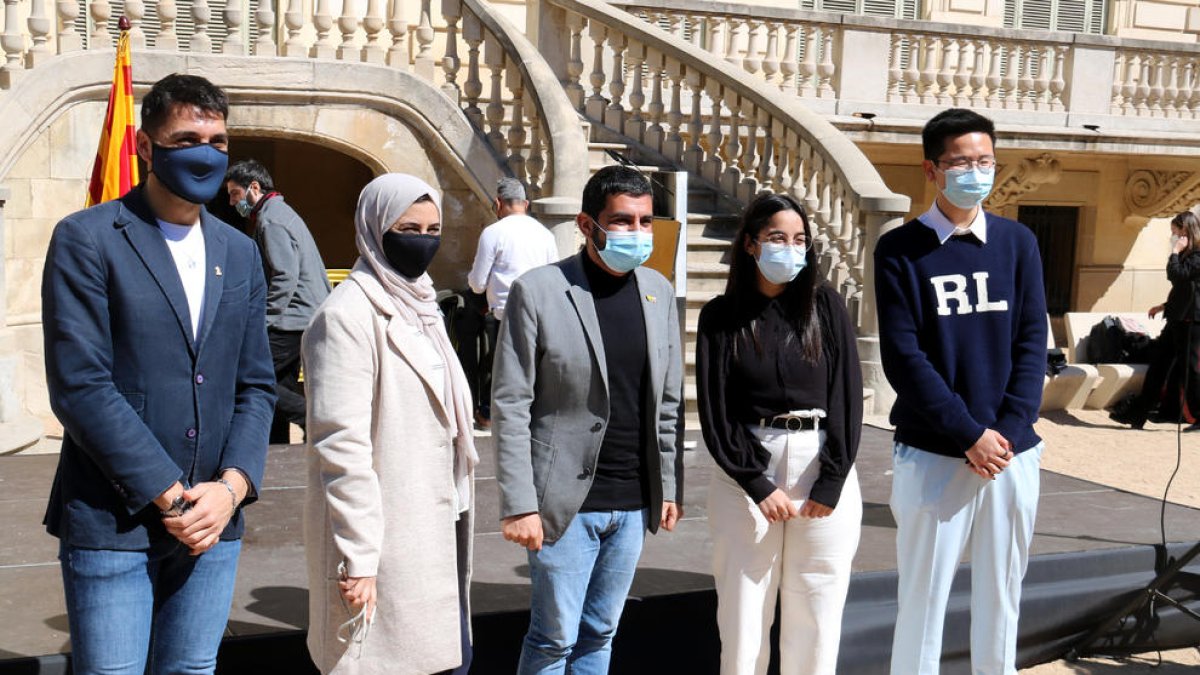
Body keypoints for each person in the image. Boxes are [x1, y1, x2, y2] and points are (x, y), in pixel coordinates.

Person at [41, 73, 275, 674]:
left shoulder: (240, 250)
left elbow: (255, 385)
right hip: (115, 521)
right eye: (187, 137)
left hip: (214, 524)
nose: (206, 152)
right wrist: (171, 497)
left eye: (218, 140)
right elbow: (80, 385)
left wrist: (232, 488)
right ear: (145, 147)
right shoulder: (86, 238)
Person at [875, 108, 1048, 675]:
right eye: (961, 162)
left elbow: (1030, 342)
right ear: (932, 169)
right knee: (923, 603)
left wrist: (1008, 433)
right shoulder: (900, 250)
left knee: (1003, 597)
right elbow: (905, 357)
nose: (975, 171)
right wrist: (968, 433)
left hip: (1011, 454)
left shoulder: (1018, 243)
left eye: (985, 161)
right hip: (934, 452)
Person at [492, 165, 684, 674]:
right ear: (586, 224)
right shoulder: (538, 291)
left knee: (600, 633)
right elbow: (511, 404)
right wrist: (519, 504)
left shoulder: (658, 291)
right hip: (563, 505)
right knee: (554, 638)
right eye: (622, 221)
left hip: (633, 502)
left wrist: (667, 487)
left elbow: (667, 401)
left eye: (646, 222)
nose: (637, 233)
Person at [303, 174, 478, 675]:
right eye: (408, 227)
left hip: (439, 519)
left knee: (441, 659)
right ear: (375, 228)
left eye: (432, 228)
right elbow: (341, 447)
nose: (422, 239)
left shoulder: (422, 303)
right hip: (388, 534)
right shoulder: (345, 316)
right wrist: (359, 556)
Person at [696, 192, 863, 675]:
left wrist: (830, 480)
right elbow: (716, 410)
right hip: (748, 467)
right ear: (750, 244)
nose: (789, 249)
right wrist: (756, 483)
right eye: (776, 238)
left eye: (799, 240)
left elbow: (846, 397)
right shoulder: (721, 316)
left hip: (822, 462)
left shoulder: (825, 307)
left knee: (817, 607)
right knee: (744, 610)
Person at [225, 159, 331, 444]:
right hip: (304, 315)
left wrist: (266, 318)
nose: (233, 201)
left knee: (250, 376)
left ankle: (310, 418)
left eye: (235, 193)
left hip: (291, 318)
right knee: (277, 382)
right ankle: (275, 445)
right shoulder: (281, 213)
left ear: (254, 187)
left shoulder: (272, 221)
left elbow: (285, 275)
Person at [466, 177, 559, 427]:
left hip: (504, 313)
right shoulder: (545, 234)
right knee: (533, 368)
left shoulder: (493, 233)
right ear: (526, 204)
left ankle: (488, 413)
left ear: (498, 203)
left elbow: (477, 282)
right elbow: (554, 275)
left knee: (499, 367)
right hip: (541, 312)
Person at [1111, 211, 1200, 429]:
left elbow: (1176, 275)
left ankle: (1198, 416)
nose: (1172, 236)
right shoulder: (1189, 256)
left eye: (1175, 232)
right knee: (1159, 366)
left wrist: (1174, 252)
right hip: (1176, 318)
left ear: (1185, 231)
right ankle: (1138, 414)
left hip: (1191, 322)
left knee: (1189, 371)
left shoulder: (1197, 256)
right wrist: (1165, 306)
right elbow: (1184, 289)